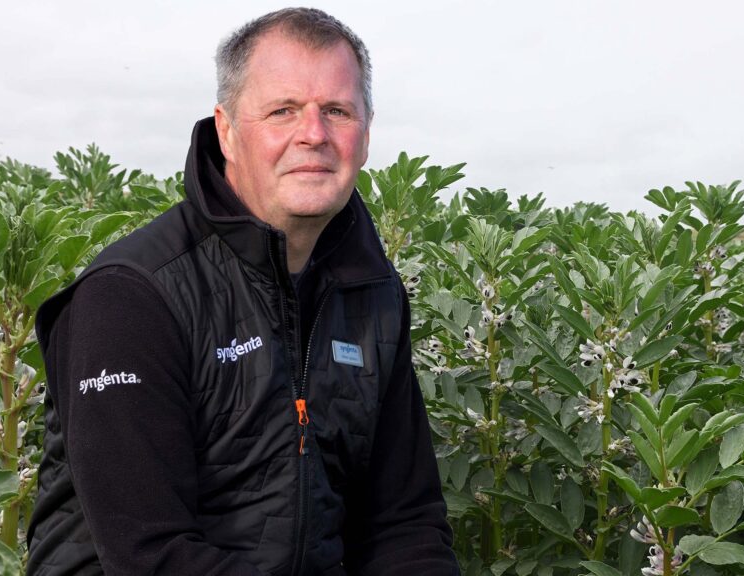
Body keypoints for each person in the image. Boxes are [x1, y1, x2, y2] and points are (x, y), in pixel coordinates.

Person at [27, 8, 458, 575]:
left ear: (366, 134)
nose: (314, 134)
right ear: (226, 131)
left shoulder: (373, 294)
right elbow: (151, 557)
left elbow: (405, 522)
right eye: (283, 110)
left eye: (337, 110)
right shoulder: (130, 297)